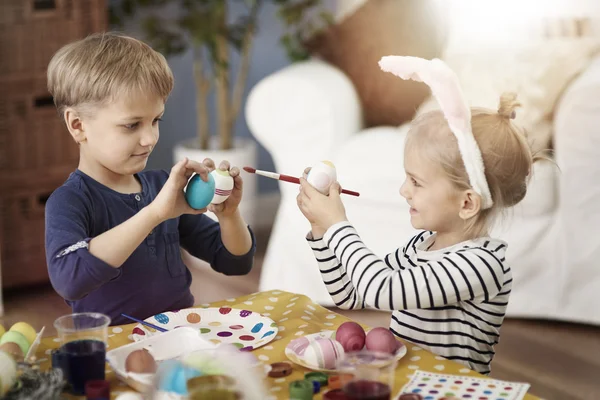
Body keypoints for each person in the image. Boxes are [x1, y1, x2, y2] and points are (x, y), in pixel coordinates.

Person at [296, 56, 543, 374]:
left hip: (452, 393)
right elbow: (351, 294)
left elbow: (379, 290)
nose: (403, 190)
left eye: (416, 182)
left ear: (467, 203)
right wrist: (320, 230)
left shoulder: (481, 265)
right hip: (409, 384)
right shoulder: (420, 247)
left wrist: (337, 225)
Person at [45, 32, 255, 326]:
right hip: (112, 348)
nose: (150, 138)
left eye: (156, 120)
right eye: (132, 125)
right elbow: (69, 279)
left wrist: (229, 216)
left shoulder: (161, 187)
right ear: (78, 125)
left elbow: (235, 262)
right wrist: (155, 214)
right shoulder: (70, 201)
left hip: (176, 337)